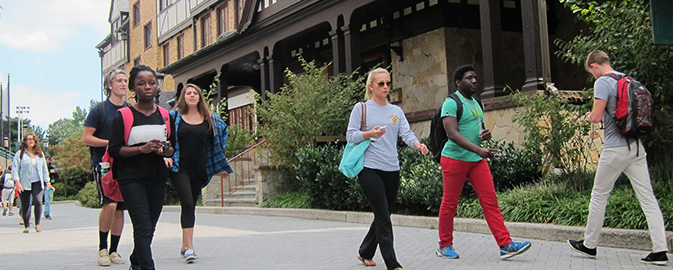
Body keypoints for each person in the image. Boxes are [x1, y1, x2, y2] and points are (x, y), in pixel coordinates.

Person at [567, 50, 668, 266]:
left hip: (615, 149)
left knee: (599, 194)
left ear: (594, 65)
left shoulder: (603, 82)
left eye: (590, 71)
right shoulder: (627, 79)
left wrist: (589, 116)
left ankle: (590, 244)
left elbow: (595, 116)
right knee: (648, 198)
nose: (592, 75)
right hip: (637, 148)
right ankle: (660, 250)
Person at [436, 65, 531, 260]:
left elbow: (477, 129)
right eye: (469, 78)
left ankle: (505, 245)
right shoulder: (451, 102)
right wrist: (479, 149)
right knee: (450, 203)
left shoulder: (477, 103)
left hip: (477, 160)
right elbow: (452, 134)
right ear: (458, 82)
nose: (474, 81)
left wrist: (484, 136)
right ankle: (444, 245)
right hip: (455, 159)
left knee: (491, 202)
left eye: (475, 77)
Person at [346, 67, 429, 270]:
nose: (385, 87)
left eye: (388, 83)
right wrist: (368, 134)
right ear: (371, 86)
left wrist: (417, 144)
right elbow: (350, 135)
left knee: (383, 214)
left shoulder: (396, 111)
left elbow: (406, 134)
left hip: (392, 169)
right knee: (383, 215)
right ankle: (392, 264)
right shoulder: (361, 108)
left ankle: (365, 251)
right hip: (369, 168)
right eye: (381, 83)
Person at [108, 65, 175, 270]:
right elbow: (114, 149)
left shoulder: (165, 115)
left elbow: (173, 147)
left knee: (150, 227)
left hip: (156, 177)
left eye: (152, 83)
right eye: (141, 83)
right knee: (142, 226)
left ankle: (136, 261)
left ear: (157, 87)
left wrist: (164, 150)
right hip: (131, 177)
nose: (147, 87)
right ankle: (147, 266)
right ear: (133, 88)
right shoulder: (124, 115)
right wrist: (141, 149)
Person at [164, 83, 233, 263]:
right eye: (188, 93)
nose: (192, 95)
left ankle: (184, 243)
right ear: (183, 97)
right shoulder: (174, 116)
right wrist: (166, 155)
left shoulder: (209, 118)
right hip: (180, 167)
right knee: (187, 202)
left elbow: (223, 133)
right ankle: (190, 248)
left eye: (195, 93)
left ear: (200, 97)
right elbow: (165, 137)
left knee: (191, 205)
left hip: (200, 167)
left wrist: (216, 153)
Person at [83, 68, 130, 266]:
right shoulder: (99, 110)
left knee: (120, 209)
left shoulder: (130, 110)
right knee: (109, 204)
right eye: (119, 80)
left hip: (125, 163)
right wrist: (110, 143)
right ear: (109, 85)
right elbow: (87, 138)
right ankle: (102, 248)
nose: (123, 84)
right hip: (103, 164)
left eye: (126, 80)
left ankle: (114, 250)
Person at [13, 133, 53, 233]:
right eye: (28, 139)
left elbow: (44, 168)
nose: (30, 141)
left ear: (35, 141)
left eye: (32, 139)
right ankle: (26, 225)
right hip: (24, 182)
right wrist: (17, 182)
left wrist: (47, 181)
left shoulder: (39, 154)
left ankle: (37, 224)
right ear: (25, 141)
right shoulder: (20, 154)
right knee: (25, 205)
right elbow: (15, 169)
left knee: (38, 201)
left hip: (37, 182)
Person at [43, 156, 57, 220]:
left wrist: (54, 172)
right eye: (46, 160)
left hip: (47, 185)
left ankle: (47, 213)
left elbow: (57, 177)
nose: (47, 161)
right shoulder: (41, 166)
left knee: (47, 200)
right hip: (40, 184)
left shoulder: (50, 167)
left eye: (48, 160)